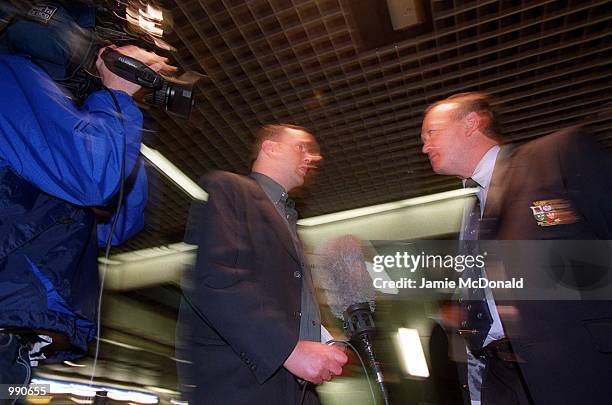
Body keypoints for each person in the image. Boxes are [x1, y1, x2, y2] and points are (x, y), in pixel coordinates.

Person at [0, 3, 176, 384]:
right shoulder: (12, 75)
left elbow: (115, 225)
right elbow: (91, 178)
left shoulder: (71, 110)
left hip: (19, 338)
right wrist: (117, 99)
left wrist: (122, 106)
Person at [421, 92, 612, 405]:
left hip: (578, 371)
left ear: (471, 123)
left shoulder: (559, 156)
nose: (425, 146)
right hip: (500, 378)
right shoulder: (472, 214)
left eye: (431, 133)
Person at [177, 124, 348, 404]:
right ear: (270, 147)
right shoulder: (229, 188)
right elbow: (216, 279)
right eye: (301, 146)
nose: (313, 157)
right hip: (242, 387)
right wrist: (289, 351)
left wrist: (322, 340)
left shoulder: (289, 220)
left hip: (296, 390)